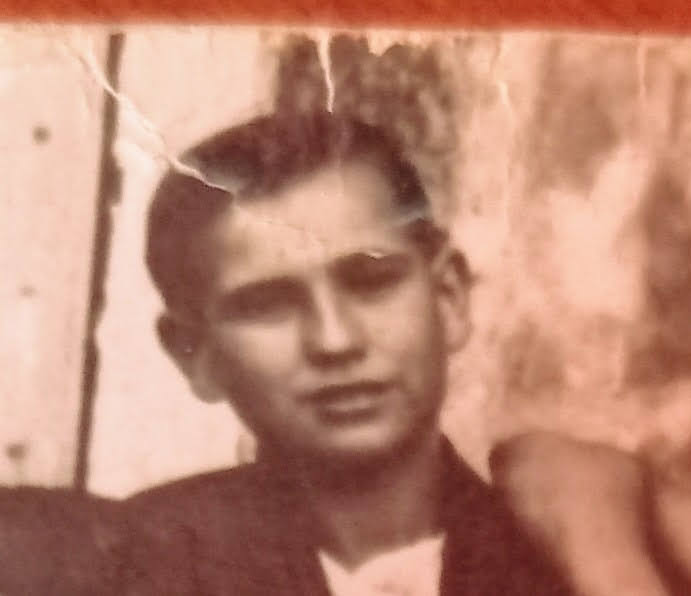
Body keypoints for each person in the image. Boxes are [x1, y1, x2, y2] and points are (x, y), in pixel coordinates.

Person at [121, 109, 576, 595]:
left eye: (372, 283)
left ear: (448, 298)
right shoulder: (130, 567)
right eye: (269, 305)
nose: (335, 341)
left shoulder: (569, 564)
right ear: (194, 353)